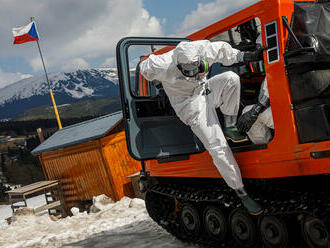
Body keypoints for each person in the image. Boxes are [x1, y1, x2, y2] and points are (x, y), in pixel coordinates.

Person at [140, 39, 265, 215]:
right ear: (178, 65)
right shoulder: (161, 63)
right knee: (218, 147)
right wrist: (159, 84)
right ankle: (241, 192)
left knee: (231, 78)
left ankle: (230, 127)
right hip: (189, 106)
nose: (194, 74)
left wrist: (246, 55)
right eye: (188, 72)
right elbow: (144, 68)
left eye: (197, 70)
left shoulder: (202, 48)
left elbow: (224, 52)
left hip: (204, 90)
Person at [237, 35, 274, 144]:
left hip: (287, 115)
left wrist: (254, 111)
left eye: (259, 49)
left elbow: (270, 93)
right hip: (288, 112)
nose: (257, 53)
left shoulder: (275, 67)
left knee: (247, 111)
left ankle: (265, 149)